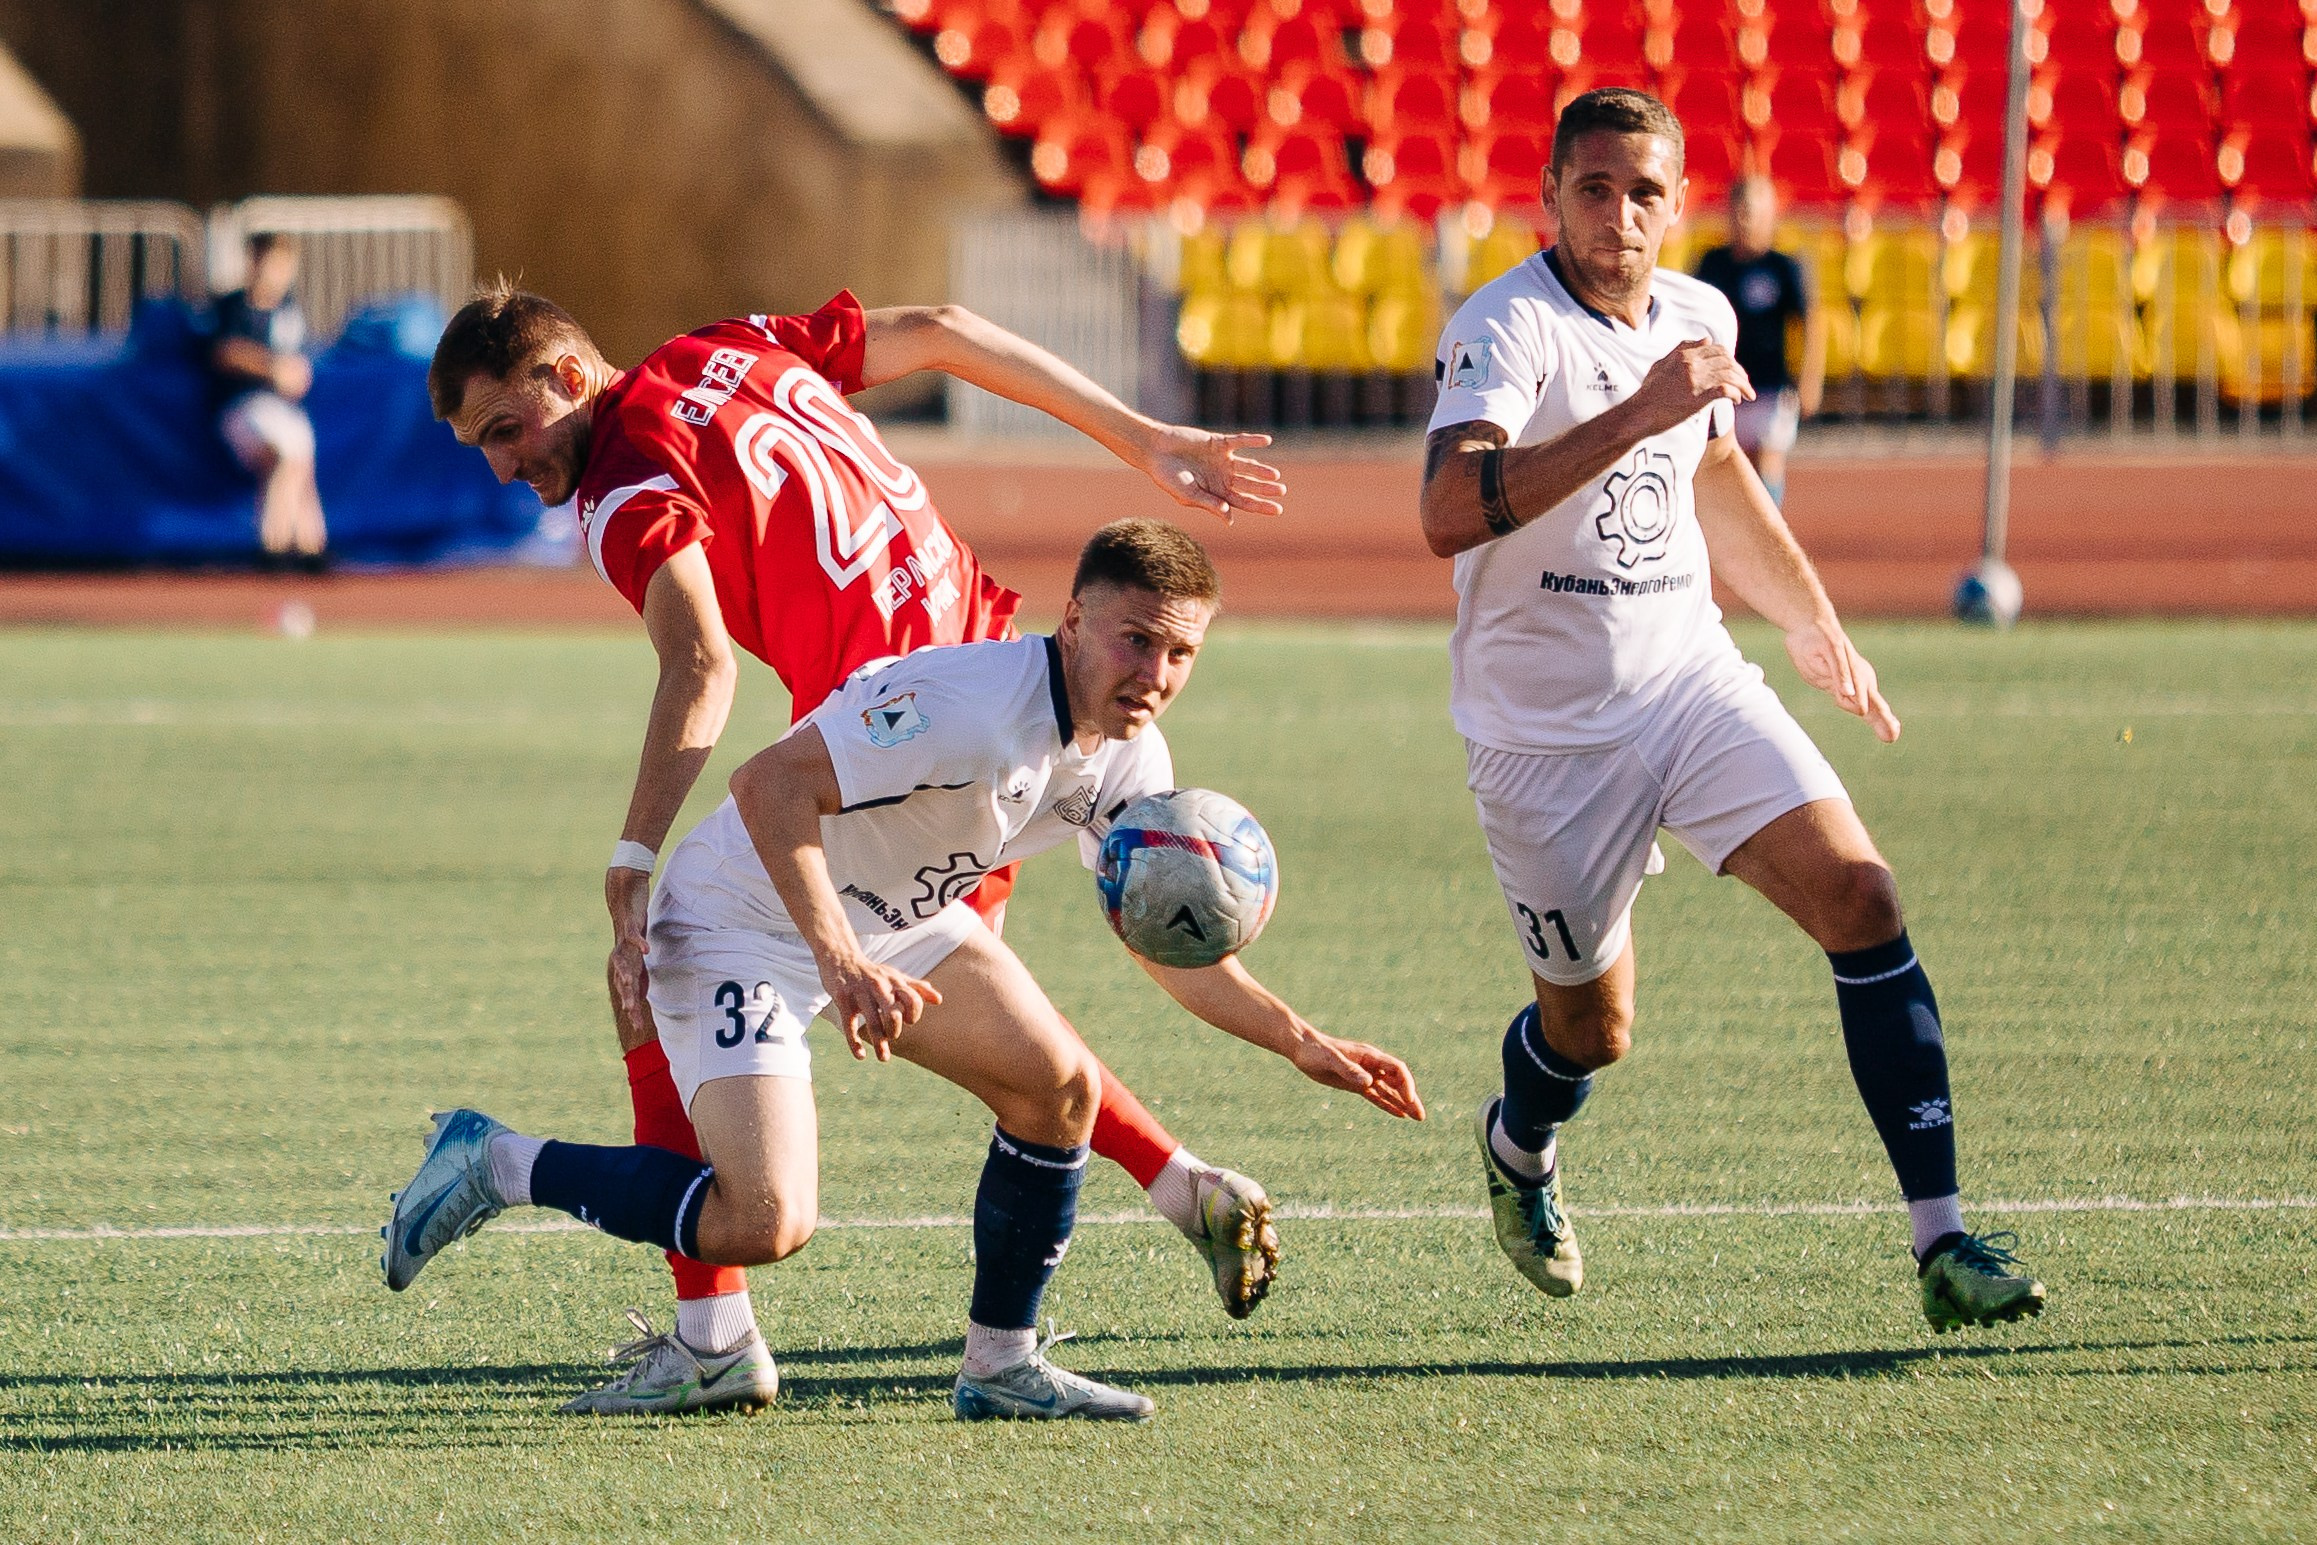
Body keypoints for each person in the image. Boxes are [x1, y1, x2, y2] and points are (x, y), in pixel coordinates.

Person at [426, 282, 1294, 1413]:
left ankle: (709, 1330)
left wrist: (630, 858)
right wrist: (1144, 438)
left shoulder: (622, 483)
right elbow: (940, 328)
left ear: (573, 378)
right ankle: (1166, 1200)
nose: (503, 467)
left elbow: (699, 666)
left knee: (680, 966)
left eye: (507, 430)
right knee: (995, 1036)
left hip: (900, 746)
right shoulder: (724, 343)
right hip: (1006, 670)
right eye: (478, 445)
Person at [382, 521, 1426, 1421]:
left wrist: (1300, 1041)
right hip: (744, 917)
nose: (1153, 673)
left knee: (1056, 1088)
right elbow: (767, 785)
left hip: (898, 922)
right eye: (1134, 639)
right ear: (1074, 622)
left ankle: (1003, 1366)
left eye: (1179, 653)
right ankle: (495, 1162)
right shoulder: (965, 706)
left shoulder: (1128, 758)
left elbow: (1158, 951)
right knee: (766, 1221)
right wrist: (838, 964)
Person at [1419, 89, 2044, 1332]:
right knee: (1592, 1032)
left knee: (1862, 899)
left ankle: (1943, 1240)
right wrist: (1634, 412)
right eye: (1591, 189)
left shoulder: (1698, 311)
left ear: (1676, 204)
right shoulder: (1506, 330)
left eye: (1643, 192)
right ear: (1549, 198)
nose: (1617, 216)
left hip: (1690, 685)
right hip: (1545, 741)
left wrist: (1808, 616)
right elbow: (1445, 510)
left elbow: (1714, 471)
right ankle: (1518, 1145)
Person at [1690, 176, 1824, 507]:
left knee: (1766, 460)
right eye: (1738, 209)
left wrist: (1810, 380)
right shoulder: (1712, 264)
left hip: (1769, 385)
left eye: (1752, 210)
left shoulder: (1783, 267)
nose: (1745, 218)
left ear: (1770, 214)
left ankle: (1770, 527)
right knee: (1731, 464)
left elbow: (1810, 325)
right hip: (1724, 383)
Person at [211, 232, 329, 568]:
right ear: (252, 264)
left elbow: (299, 365)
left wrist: (295, 373)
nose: (272, 273)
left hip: (282, 408)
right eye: (265, 263)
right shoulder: (232, 306)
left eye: (280, 265)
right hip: (242, 407)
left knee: (298, 458)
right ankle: (272, 545)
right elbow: (225, 352)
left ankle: (309, 547)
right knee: (286, 453)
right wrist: (272, 367)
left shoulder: (290, 311)